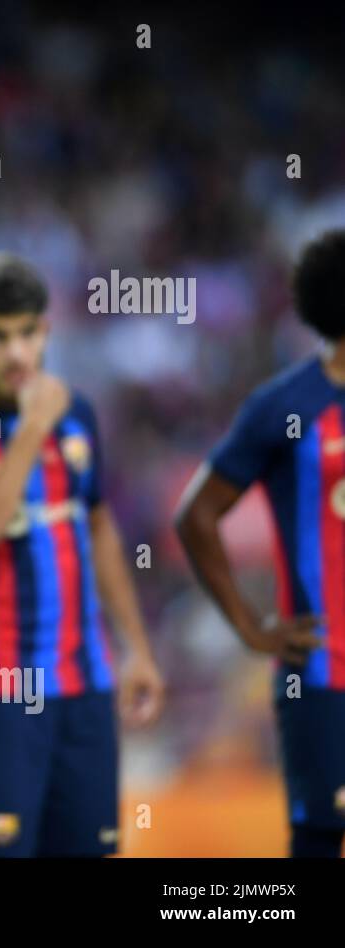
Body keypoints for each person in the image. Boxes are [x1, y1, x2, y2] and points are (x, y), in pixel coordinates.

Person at [0, 251, 164, 857]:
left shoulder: (76, 415)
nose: (17, 353)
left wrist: (136, 647)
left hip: (86, 682)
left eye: (28, 332)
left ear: (46, 329)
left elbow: (98, 527)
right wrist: (29, 430)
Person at [175, 229, 345, 858]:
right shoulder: (285, 406)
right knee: (321, 835)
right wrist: (250, 627)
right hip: (324, 664)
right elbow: (197, 516)